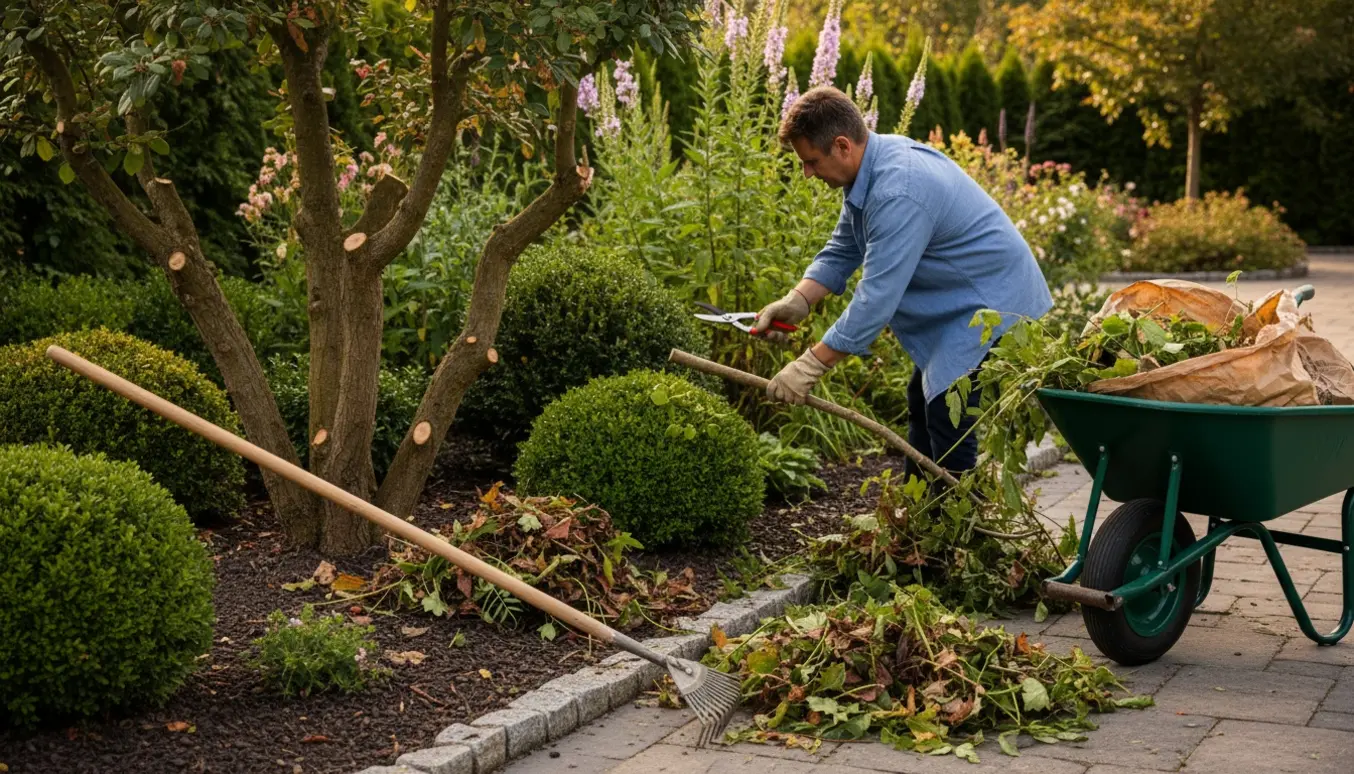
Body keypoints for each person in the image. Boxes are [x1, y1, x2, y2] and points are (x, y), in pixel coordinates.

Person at [753, 85, 1052, 480]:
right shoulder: (873, 166)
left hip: (993, 300)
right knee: (923, 398)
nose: (807, 173)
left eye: (810, 161)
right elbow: (843, 248)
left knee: (948, 412)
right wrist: (798, 300)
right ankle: (922, 521)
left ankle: (958, 525)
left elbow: (876, 300)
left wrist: (809, 366)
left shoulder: (898, 189)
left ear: (842, 145)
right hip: (966, 298)